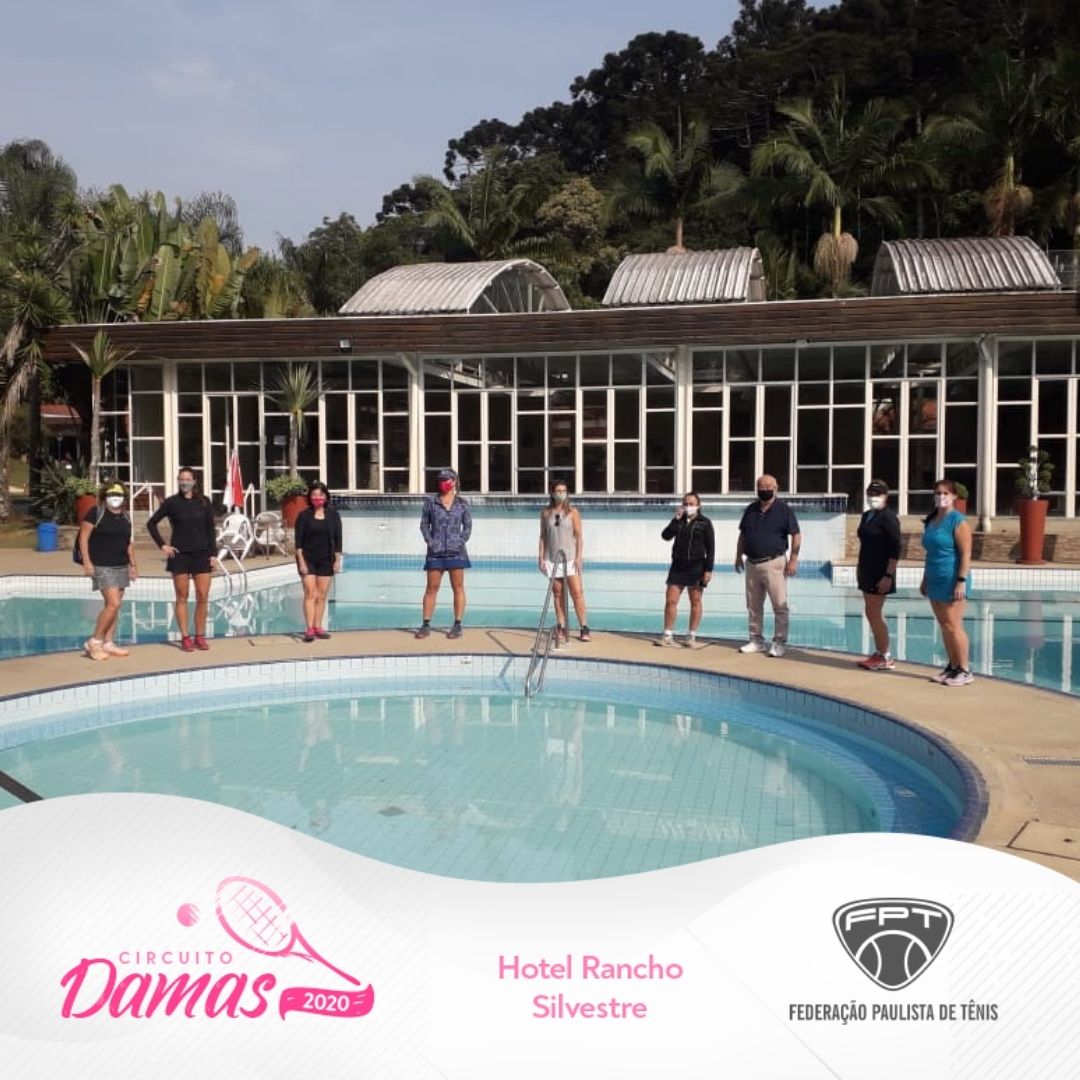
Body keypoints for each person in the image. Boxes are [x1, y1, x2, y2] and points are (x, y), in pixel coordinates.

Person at [147, 466, 218, 652]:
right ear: (178, 481)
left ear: (194, 481)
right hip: (180, 555)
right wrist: (163, 545)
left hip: (202, 554)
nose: (184, 482)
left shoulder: (204, 502)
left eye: (188, 479)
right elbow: (151, 523)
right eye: (181, 479)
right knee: (182, 596)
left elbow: (210, 529)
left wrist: (214, 554)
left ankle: (200, 636)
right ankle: (185, 637)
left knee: (203, 596)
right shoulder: (172, 503)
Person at [734, 474, 801, 657]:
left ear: (776, 488)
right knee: (753, 606)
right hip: (752, 564)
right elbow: (743, 534)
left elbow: (796, 534)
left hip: (774, 563)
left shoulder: (784, 510)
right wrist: (738, 555)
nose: (764, 490)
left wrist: (793, 559)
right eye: (760, 487)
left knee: (779, 605)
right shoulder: (751, 509)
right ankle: (756, 640)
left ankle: (779, 642)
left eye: (767, 487)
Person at [920, 478, 973, 686]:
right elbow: (930, 553)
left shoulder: (958, 521)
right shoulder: (932, 520)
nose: (941, 497)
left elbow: (966, 553)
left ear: (954, 496)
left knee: (954, 625)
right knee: (944, 625)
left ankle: (965, 670)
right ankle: (952, 666)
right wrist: (925, 579)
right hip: (934, 578)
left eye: (945, 493)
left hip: (952, 579)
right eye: (938, 493)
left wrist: (961, 581)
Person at [78, 480, 137, 661]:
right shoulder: (96, 513)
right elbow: (83, 538)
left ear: (124, 497)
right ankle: (95, 641)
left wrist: (133, 565)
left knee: (114, 606)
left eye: (118, 495)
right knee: (113, 604)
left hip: (121, 564)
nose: (115, 498)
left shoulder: (125, 517)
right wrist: (87, 562)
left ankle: (108, 642)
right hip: (102, 565)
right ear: (104, 496)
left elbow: (128, 543)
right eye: (111, 494)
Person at [416, 468, 471, 640]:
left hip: (457, 553)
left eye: (446, 479)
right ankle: (426, 624)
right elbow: (424, 525)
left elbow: (468, 526)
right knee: (431, 588)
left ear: (454, 482)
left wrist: (460, 541)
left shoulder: (462, 503)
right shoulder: (431, 502)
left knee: (458, 588)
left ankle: (457, 625)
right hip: (436, 553)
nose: (443, 482)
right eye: (440, 480)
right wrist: (430, 542)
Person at [657, 491, 715, 648]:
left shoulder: (705, 523)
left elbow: (711, 549)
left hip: (696, 567)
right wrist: (675, 519)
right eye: (685, 504)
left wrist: (708, 570)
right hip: (678, 566)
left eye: (691, 504)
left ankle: (691, 635)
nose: (688, 506)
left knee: (695, 601)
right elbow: (665, 536)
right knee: (671, 600)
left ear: (698, 505)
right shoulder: (679, 521)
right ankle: (668, 634)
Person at [855, 479, 902, 671]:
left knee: (875, 613)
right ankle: (879, 651)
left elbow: (895, 548)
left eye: (877, 494)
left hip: (881, 572)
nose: (873, 498)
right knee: (870, 612)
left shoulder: (889, 518)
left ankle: (885, 656)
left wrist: (888, 575)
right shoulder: (867, 516)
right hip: (866, 569)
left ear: (886, 496)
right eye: (870, 494)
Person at [538, 479, 590, 644]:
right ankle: (561, 625)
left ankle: (584, 626)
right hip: (553, 559)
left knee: (577, 593)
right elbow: (543, 536)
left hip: (570, 558)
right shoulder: (546, 513)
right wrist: (541, 557)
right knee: (558, 593)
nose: (561, 494)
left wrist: (579, 557)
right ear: (552, 493)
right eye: (558, 491)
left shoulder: (573, 512)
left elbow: (579, 536)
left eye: (564, 491)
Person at [293, 481, 343, 643]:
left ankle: (318, 626)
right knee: (310, 593)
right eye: (314, 495)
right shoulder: (304, 516)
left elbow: (338, 539)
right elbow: (298, 543)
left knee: (321, 595)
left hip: (326, 559)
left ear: (326, 496)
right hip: (308, 559)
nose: (317, 497)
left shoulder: (333, 515)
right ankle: (309, 629)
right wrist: (301, 562)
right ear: (310, 497)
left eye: (320, 495)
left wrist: (337, 559)